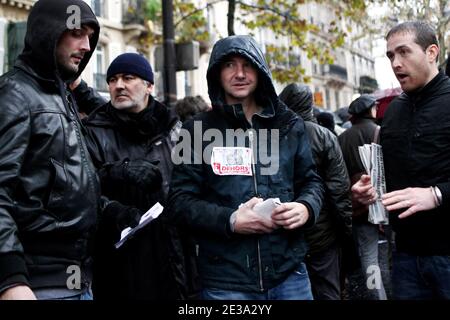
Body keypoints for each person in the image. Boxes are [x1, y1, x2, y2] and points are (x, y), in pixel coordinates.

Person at [0, 0, 140, 300]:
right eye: (77, 32)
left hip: (77, 279)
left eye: (90, 36)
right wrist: (10, 279)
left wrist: (108, 210)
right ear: (47, 32)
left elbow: (65, 183)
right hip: (37, 284)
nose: (87, 46)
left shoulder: (62, 98)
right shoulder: (15, 94)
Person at [167, 35, 324, 300]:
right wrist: (230, 221)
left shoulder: (289, 125)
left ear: (260, 69)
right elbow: (179, 202)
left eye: (247, 64)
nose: (239, 74)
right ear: (216, 72)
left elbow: (312, 181)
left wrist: (306, 207)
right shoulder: (194, 131)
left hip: (289, 274)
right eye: (229, 65)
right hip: (226, 280)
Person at [80, 53, 198, 300]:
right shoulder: (92, 131)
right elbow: (79, 187)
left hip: (173, 260)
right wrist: (118, 174)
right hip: (119, 265)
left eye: (128, 77)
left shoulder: (175, 129)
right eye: (112, 79)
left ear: (149, 86)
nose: (118, 85)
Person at [352, 21, 450, 299]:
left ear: (432, 52)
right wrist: (365, 190)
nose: (396, 63)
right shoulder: (392, 112)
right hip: (405, 255)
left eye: (404, 52)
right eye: (390, 55)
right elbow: (384, 175)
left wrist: (437, 194)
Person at [279, 83, 352, 300]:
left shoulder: (273, 136)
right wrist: (346, 232)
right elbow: (340, 190)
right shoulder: (324, 136)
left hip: (287, 233)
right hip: (323, 235)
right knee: (328, 292)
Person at [338, 94, 389, 300]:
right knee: (392, 254)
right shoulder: (380, 132)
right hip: (386, 201)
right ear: (370, 111)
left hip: (358, 205)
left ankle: (376, 294)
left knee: (369, 256)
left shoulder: (341, 138)